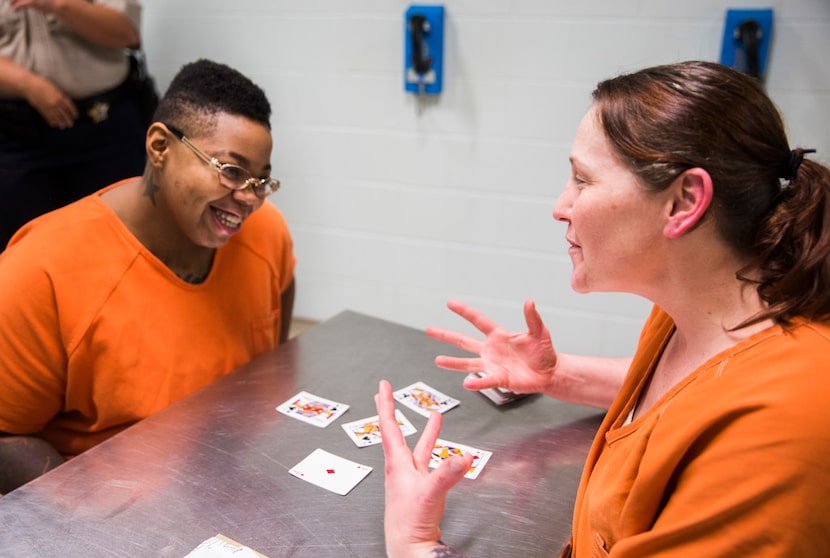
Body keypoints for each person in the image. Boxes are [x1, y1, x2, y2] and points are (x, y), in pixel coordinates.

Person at [375, 60, 830, 557]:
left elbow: (724, 414)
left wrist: (414, 542)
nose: (560, 205)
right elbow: (687, 402)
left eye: (583, 180)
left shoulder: (779, 431)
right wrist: (556, 374)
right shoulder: (702, 308)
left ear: (685, 201)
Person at [0, 59, 296, 494]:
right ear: (160, 147)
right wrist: (82, 512)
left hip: (222, 488)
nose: (248, 199)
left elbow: (274, 354)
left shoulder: (268, 235)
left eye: (259, 181)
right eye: (231, 171)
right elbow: (5, 437)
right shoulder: (39, 271)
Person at [0, 0, 149, 251]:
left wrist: (59, 5)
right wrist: (27, 85)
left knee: (116, 242)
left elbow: (127, 33)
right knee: (21, 249)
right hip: (16, 134)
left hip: (104, 130)